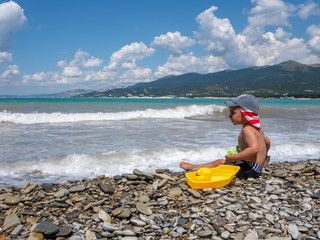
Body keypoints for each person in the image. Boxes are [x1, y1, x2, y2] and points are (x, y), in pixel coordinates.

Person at [180, 94, 271, 178]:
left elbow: (254, 149)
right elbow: (267, 142)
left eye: (233, 113)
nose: (229, 116)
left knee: (220, 162)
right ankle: (194, 166)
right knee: (224, 163)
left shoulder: (247, 130)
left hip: (249, 170)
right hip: (257, 168)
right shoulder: (258, 129)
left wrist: (235, 157)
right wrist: (263, 158)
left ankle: (192, 167)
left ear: (245, 114)